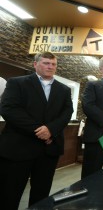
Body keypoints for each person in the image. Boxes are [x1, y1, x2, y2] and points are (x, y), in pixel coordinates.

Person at [0, 52, 73, 209]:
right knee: (9, 193)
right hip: (18, 148)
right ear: (35, 64)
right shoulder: (17, 83)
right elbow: (8, 109)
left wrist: (51, 130)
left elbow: (66, 113)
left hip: (48, 150)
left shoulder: (64, 90)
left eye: (53, 64)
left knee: (41, 196)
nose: (50, 67)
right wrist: (39, 131)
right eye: (46, 63)